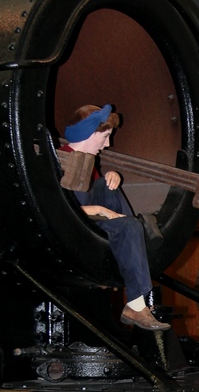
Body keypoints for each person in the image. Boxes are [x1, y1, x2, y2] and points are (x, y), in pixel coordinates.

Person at [60, 104, 168, 332]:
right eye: (106, 136)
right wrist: (102, 210)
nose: (107, 144)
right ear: (90, 133)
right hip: (74, 228)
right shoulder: (60, 161)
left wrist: (111, 176)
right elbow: (59, 211)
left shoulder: (89, 163)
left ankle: (138, 232)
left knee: (107, 185)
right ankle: (137, 305)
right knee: (129, 225)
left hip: (95, 222)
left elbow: (99, 196)